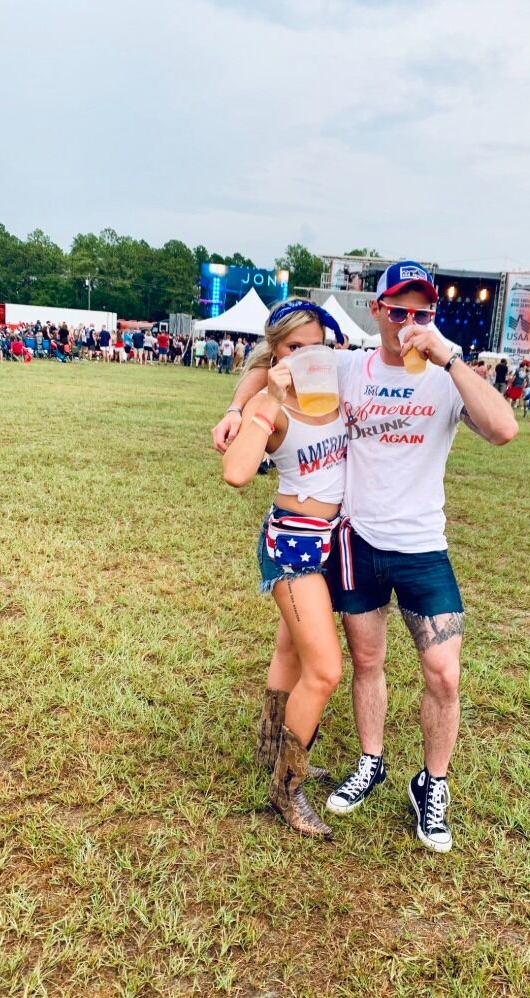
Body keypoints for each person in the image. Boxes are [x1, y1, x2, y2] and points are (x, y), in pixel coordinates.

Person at [214, 261, 518, 852]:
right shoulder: (337, 371)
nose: (409, 322)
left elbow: (505, 429)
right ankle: (310, 776)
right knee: (341, 666)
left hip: (404, 543)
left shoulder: (439, 373)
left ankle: (294, 753)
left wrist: (449, 357)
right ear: (376, 310)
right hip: (330, 542)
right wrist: (237, 410)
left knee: (324, 654)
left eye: (421, 312)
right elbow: (265, 372)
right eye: (398, 310)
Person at [223, 300, 349, 839]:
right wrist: (257, 404)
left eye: (313, 345)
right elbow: (235, 472)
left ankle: (270, 746)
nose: (303, 355)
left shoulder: (338, 387)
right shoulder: (271, 406)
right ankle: (287, 788)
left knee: (290, 651)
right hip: (292, 543)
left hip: (333, 540)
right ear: (275, 351)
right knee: (325, 671)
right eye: (292, 347)